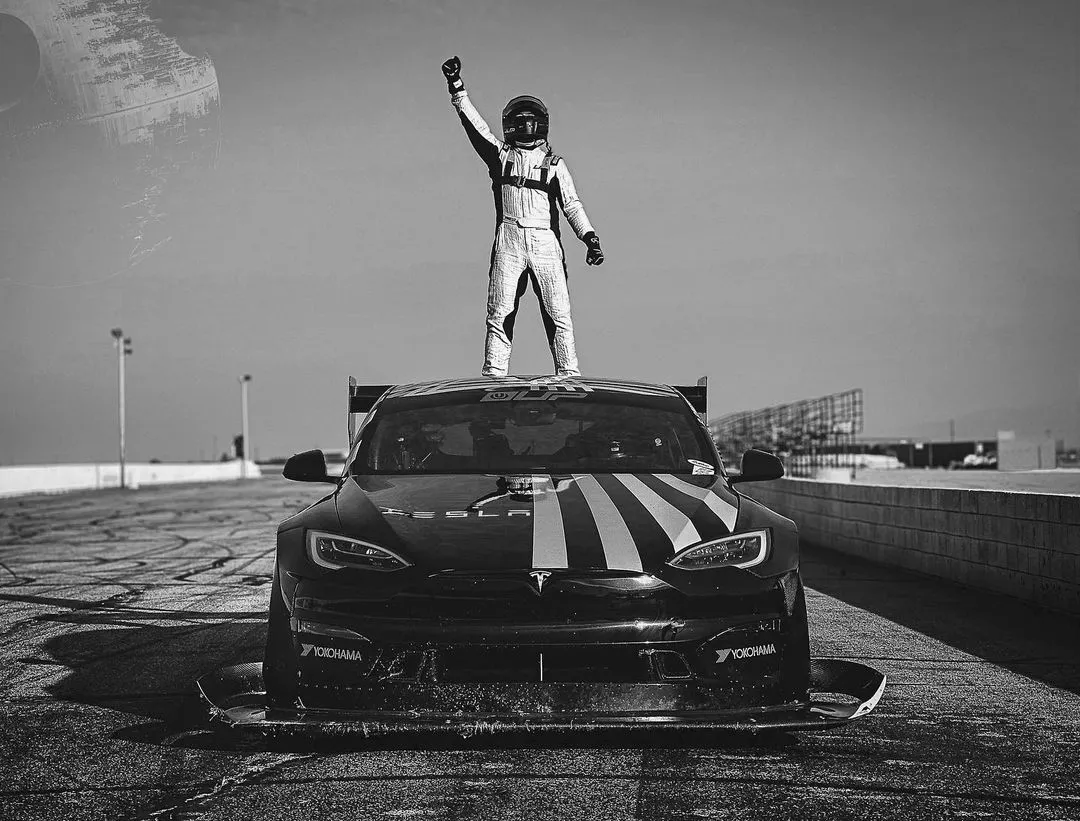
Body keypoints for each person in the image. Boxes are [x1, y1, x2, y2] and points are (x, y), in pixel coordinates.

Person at [441, 56, 604, 378]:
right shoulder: (500, 157)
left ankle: (569, 375)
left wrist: (589, 237)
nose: (526, 126)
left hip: (545, 243)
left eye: (531, 121)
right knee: (499, 312)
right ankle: (493, 375)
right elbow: (475, 126)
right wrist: (456, 88)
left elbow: (572, 205)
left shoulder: (554, 165)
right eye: (521, 121)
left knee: (559, 314)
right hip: (510, 239)